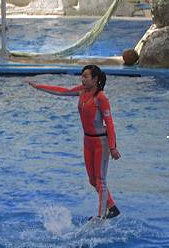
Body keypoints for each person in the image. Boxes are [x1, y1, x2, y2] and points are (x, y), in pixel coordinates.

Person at [28, 65, 121, 220]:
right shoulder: (81, 91)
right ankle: (112, 207)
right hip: (87, 141)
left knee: (101, 180)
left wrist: (113, 147)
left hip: (101, 143)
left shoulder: (101, 98)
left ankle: (101, 215)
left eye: (86, 76)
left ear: (95, 79)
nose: (82, 79)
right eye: (82, 76)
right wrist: (38, 87)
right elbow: (61, 91)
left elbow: (110, 124)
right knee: (93, 181)